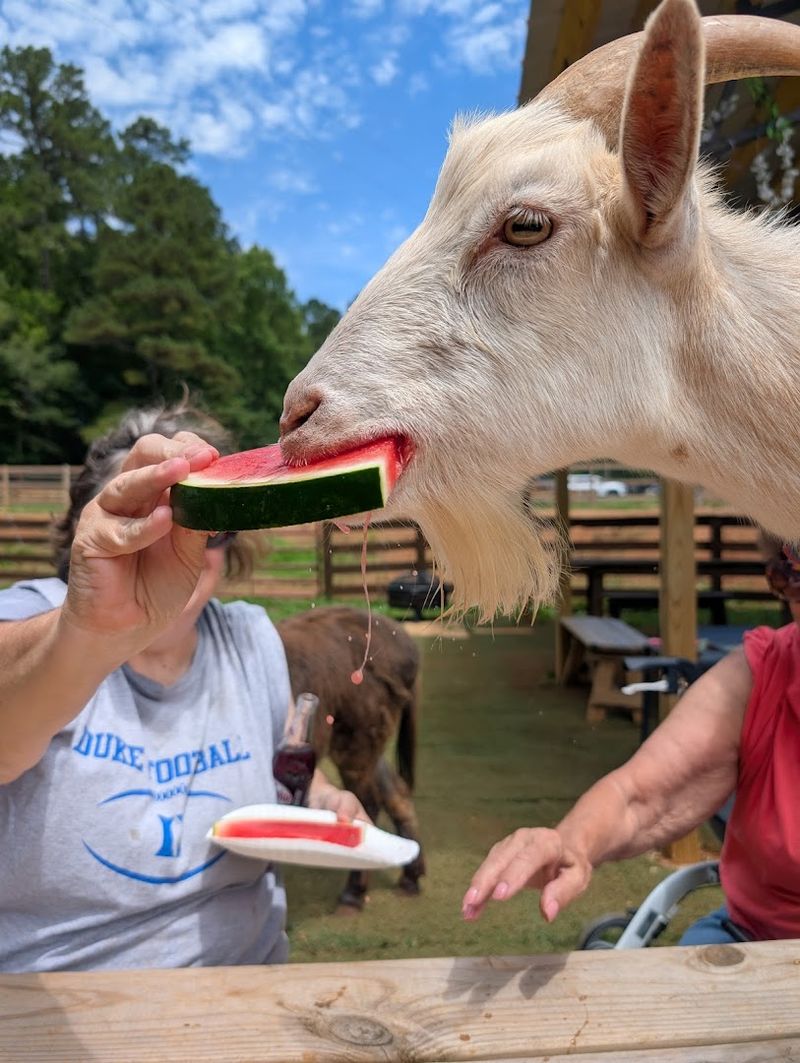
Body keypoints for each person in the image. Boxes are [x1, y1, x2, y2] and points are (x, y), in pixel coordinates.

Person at [0, 400, 367, 972]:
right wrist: (89, 629)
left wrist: (321, 799)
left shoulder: (249, 637)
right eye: (145, 515)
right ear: (89, 527)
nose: (177, 541)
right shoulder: (31, 617)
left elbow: (275, 762)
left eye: (204, 520)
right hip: (64, 993)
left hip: (247, 980)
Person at [462, 535, 800, 945]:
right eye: (791, 573)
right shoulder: (759, 675)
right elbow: (637, 796)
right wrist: (571, 843)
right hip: (752, 937)